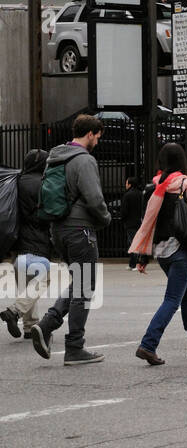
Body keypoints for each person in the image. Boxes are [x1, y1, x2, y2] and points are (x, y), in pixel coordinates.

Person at [30, 115, 110, 365]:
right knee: (85, 286)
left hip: (58, 229)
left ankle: (47, 326)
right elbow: (94, 199)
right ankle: (74, 346)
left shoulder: (55, 156)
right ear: (90, 134)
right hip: (80, 230)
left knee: (80, 283)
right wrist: (106, 218)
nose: (97, 141)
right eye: (97, 136)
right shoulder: (84, 160)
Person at [132, 142, 187, 365]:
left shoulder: (153, 187)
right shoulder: (185, 184)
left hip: (161, 252)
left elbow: (147, 223)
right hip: (181, 249)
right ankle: (148, 345)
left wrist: (142, 256)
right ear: (181, 161)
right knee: (172, 299)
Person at [0, 150, 53, 338]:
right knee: (44, 279)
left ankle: (30, 327)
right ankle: (14, 311)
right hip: (36, 242)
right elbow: (47, 213)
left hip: (17, 243)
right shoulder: (43, 184)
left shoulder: (16, 180)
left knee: (26, 284)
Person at [122, 175, 146, 271]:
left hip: (130, 223)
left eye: (127, 183)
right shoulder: (141, 194)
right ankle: (133, 264)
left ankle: (135, 264)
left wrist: (123, 219)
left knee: (133, 243)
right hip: (140, 222)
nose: (125, 184)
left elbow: (124, 211)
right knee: (137, 243)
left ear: (130, 184)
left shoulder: (127, 195)